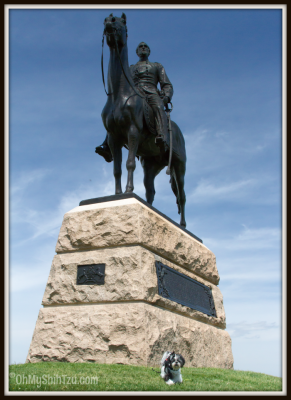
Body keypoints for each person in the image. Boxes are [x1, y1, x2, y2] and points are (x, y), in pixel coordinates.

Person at [95, 42, 173, 162]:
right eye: (140, 47)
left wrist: (166, 97)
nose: (143, 48)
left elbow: (166, 85)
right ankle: (107, 144)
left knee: (158, 106)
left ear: (149, 52)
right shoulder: (130, 68)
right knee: (115, 111)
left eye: (145, 47)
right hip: (134, 95)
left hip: (151, 93)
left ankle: (162, 136)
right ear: (137, 52)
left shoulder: (157, 66)